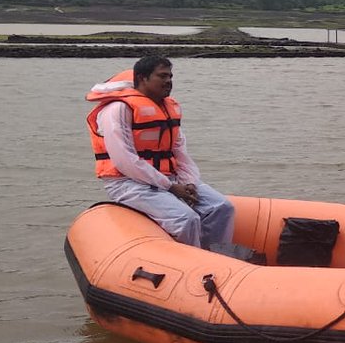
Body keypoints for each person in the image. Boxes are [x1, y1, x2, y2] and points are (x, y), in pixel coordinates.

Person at [86, 55, 235, 249]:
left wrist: (188, 182)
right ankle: (193, 266)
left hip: (168, 178)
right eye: (162, 76)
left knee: (221, 207)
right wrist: (170, 187)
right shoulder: (118, 110)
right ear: (142, 78)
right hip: (127, 182)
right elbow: (125, 161)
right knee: (185, 219)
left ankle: (219, 259)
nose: (168, 81)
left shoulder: (167, 109)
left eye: (170, 76)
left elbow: (181, 154)